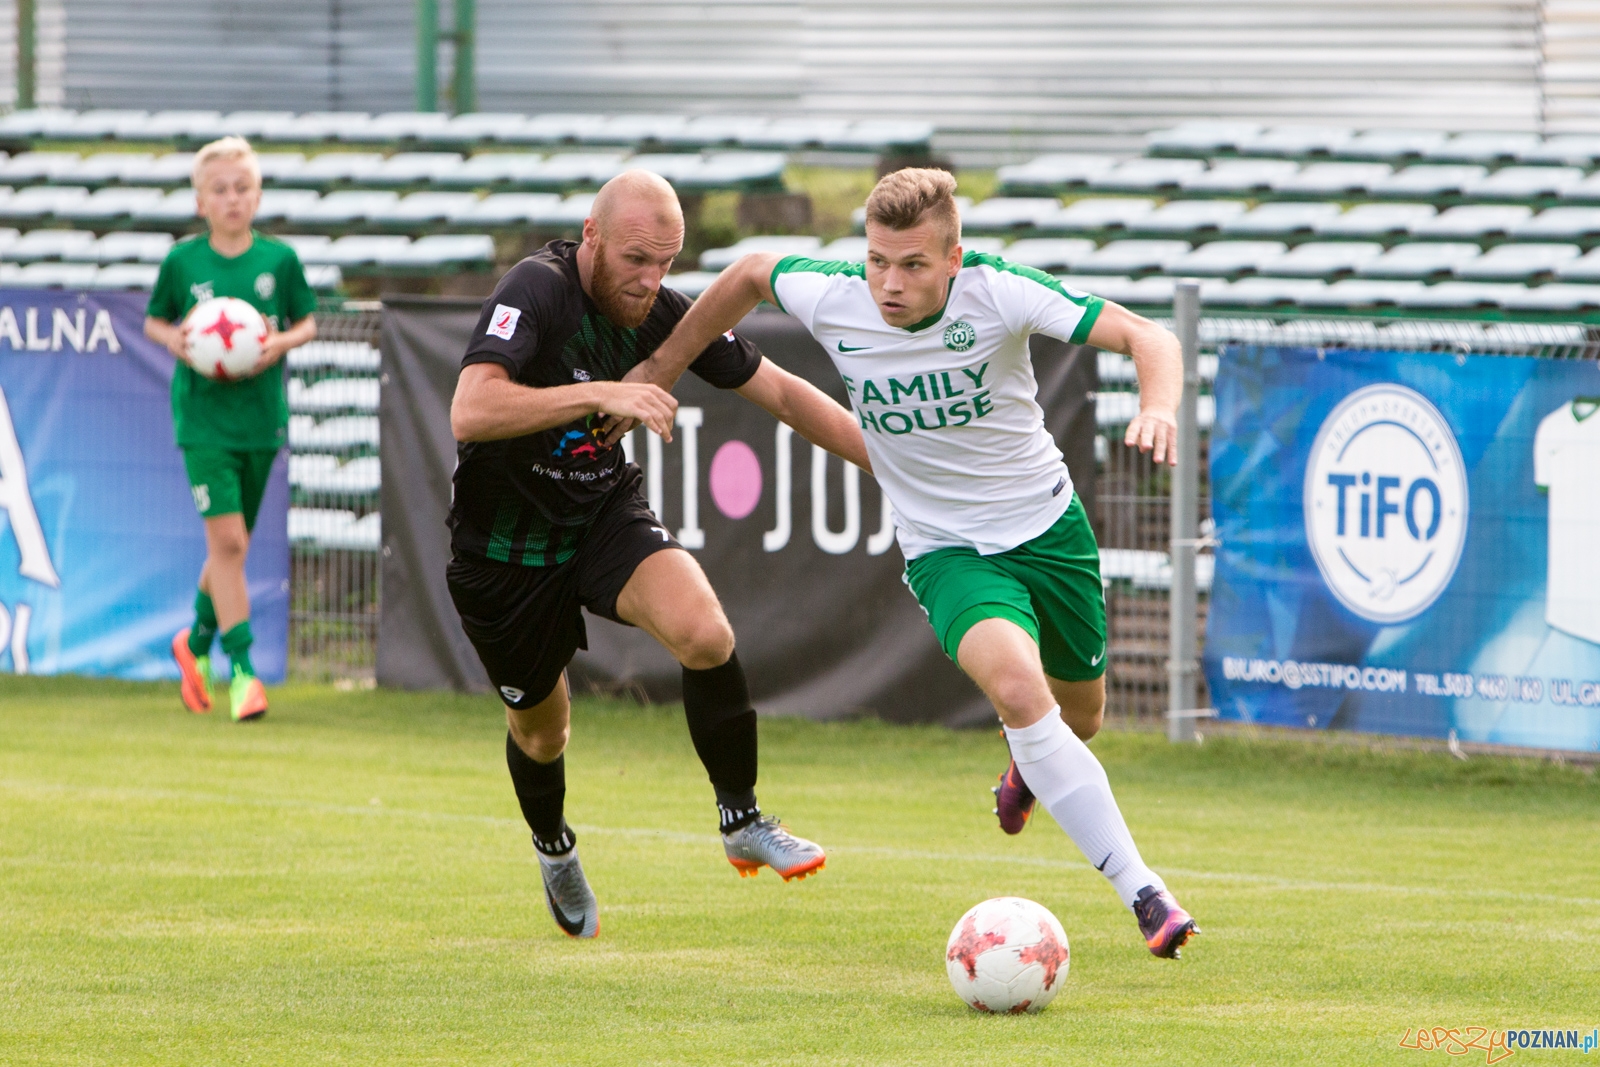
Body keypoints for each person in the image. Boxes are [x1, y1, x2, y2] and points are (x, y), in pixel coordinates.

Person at [621, 168, 1201, 959]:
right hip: (946, 550)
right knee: (1019, 690)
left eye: (913, 265)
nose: (889, 284)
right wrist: (661, 367)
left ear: (954, 259)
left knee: (1081, 717)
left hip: (1048, 531)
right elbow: (750, 272)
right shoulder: (838, 296)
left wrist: (1157, 406)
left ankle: (1029, 763)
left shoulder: (999, 292)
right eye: (877, 261)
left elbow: (1151, 337)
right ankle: (1145, 892)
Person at [447, 170, 870, 939]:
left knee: (704, 631)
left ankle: (742, 819)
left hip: (600, 516)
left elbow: (782, 393)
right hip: (504, 551)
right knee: (543, 732)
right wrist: (599, 394)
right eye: (636, 259)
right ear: (593, 235)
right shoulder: (537, 289)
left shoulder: (663, 313)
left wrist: (900, 469)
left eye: (667, 263)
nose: (650, 281)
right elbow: (470, 410)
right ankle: (554, 846)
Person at [146, 136, 318, 723]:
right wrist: (176, 339)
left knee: (230, 544)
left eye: (242, 188)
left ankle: (194, 643)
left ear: (258, 195)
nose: (232, 198)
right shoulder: (182, 262)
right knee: (230, 545)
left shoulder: (279, 261)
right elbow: (154, 321)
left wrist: (279, 342)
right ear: (201, 202)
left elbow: (307, 323)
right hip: (203, 423)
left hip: (260, 422)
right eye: (219, 190)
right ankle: (243, 672)